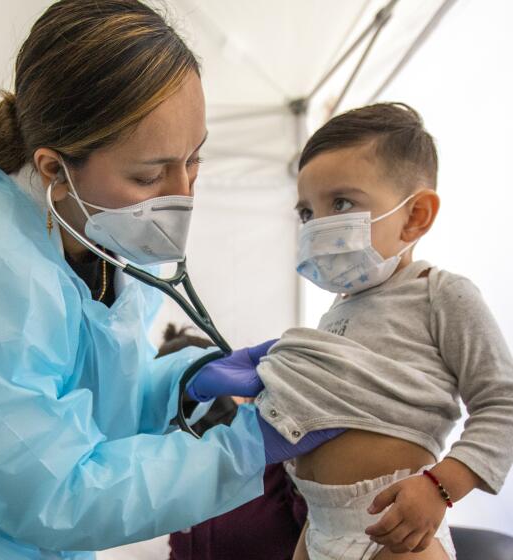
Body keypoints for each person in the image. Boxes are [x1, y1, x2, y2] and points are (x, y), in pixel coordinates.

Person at [0, 2, 339, 558]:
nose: (183, 195)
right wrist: (244, 448)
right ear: (54, 168)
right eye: (149, 175)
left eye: (194, 160)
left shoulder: (101, 246)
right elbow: (57, 492)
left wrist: (184, 383)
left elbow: (90, 414)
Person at [196, 103, 513, 559]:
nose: (318, 224)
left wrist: (440, 487)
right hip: (321, 526)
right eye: (307, 212)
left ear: (416, 215)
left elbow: (501, 403)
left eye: (341, 204)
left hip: (399, 536)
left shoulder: (441, 294)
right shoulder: (338, 312)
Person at [159, 324, 307, 560]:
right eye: (185, 401)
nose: (202, 411)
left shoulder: (274, 458)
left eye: (204, 394)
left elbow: (320, 532)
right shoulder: (180, 473)